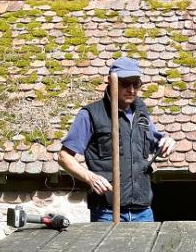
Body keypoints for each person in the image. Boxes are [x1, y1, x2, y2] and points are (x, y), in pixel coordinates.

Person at [57, 57, 176, 222]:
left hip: (143, 210)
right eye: (125, 83)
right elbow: (64, 157)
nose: (132, 90)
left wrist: (166, 142)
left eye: (136, 84)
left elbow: (157, 145)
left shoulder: (141, 111)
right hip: (107, 211)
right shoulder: (91, 114)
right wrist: (90, 177)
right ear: (110, 81)